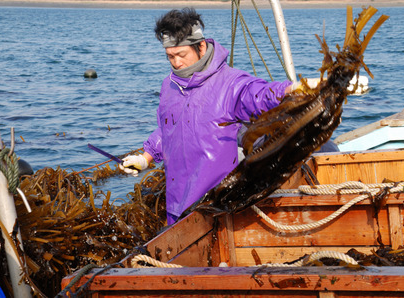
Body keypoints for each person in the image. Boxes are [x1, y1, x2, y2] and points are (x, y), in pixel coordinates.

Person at [120, 8, 303, 225]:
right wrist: (146, 157)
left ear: (201, 46)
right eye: (170, 56)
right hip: (176, 205)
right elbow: (168, 127)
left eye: (182, 55)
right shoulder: (168, 85)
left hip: (216, 205)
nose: (176, 63)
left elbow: (258, 95)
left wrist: (293, 89)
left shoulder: (230, 82)